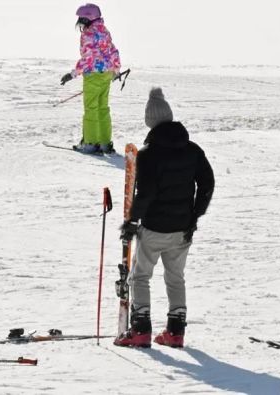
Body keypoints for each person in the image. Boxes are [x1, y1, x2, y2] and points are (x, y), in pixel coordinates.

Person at [114, 88, 215, 348]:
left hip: (154, 229)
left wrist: (132, 221)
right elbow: (207, 184)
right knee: (175, 277)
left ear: (150, 122)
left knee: (140, 276)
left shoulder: (148, 155)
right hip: (182, 229)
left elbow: (146, 193)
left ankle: (141, 330)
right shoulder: (193, 150)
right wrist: (195, 216)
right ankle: (176, 332)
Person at [60, 3, 120, 154]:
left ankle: (91, 143)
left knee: (91, 109)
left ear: (88, 18)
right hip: (106, 74)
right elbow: (113, 51)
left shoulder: (88, 34)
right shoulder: (104, 31)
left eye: (82, 19)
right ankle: (105, 143)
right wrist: (116, 70)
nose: (80, 23)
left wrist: (73, 74)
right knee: (103, 108)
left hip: (93, 75)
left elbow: (88, 58)